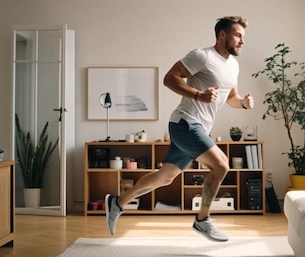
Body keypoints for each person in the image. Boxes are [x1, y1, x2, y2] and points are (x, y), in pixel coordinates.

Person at [105, 16, 253, 242]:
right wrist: (197, 95)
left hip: (199, 127)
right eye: (238, 35)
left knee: (165, 177)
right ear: (222, 34)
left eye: (244, 36)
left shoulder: (233, 65)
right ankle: (202, 220)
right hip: (185, 122)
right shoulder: (202, 56)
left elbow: (231, 97)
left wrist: (243, 103)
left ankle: (117, 203)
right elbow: (169, 78)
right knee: (222, 165)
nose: (242, 41)